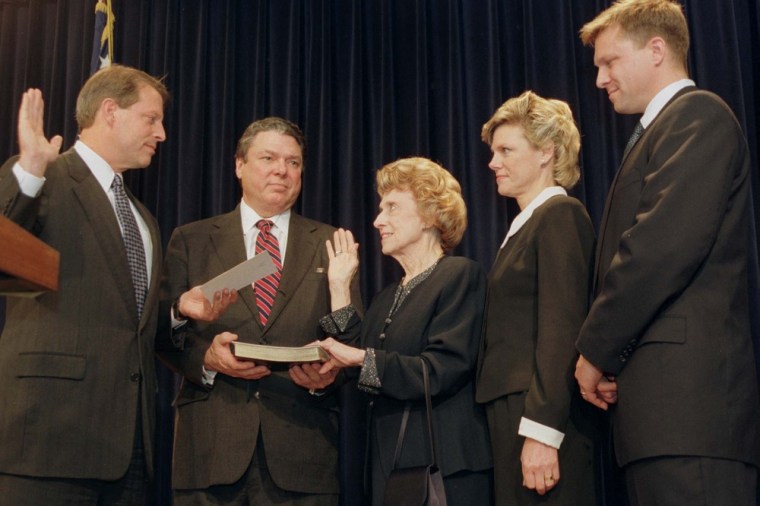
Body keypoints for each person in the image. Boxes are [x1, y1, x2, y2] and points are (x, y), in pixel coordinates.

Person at [574, 1, 760, 504]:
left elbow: (657, 250)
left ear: (657, 49)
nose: (600, 79)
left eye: (610, 62)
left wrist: (596, 350)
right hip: (664, 421)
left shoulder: (697, 115)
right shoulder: (659, 131)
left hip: (690, 418)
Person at [159, 116, 361, 505]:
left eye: (294, 162)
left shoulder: (331, 243)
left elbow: (352, 341)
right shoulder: (192, 239)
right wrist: (206, 359)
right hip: (210, 450)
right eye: (268, 158)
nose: (282, 171)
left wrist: (327, 379)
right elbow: (161, 335)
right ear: (239, 165)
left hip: (302, 452)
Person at [0, 65, 168, 503]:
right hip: (48, 439)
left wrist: (182, 313)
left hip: (129, 452)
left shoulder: (143, 218)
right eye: (152, 118)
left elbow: (133, 326)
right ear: (110, 111)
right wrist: (30, 170)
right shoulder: (45, 177)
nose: (162, 132)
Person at [317, 157, 493, 505]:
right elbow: (357, 362)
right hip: (392, 471)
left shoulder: (460, 275)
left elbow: (441, 369)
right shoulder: (386, 298)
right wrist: (339, 286)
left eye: (392, 207)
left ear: (430, 214)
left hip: (445, 471)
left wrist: (360, 358)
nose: (378, 220)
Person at [474, 91, 599, 505]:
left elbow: (562, 330)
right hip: (514, 413)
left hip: (538, 416)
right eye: (494, 151)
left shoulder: (560, 216)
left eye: (507, 150)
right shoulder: (525, 226)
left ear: (546, 152)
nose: (494, 162)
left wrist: (543, 433)